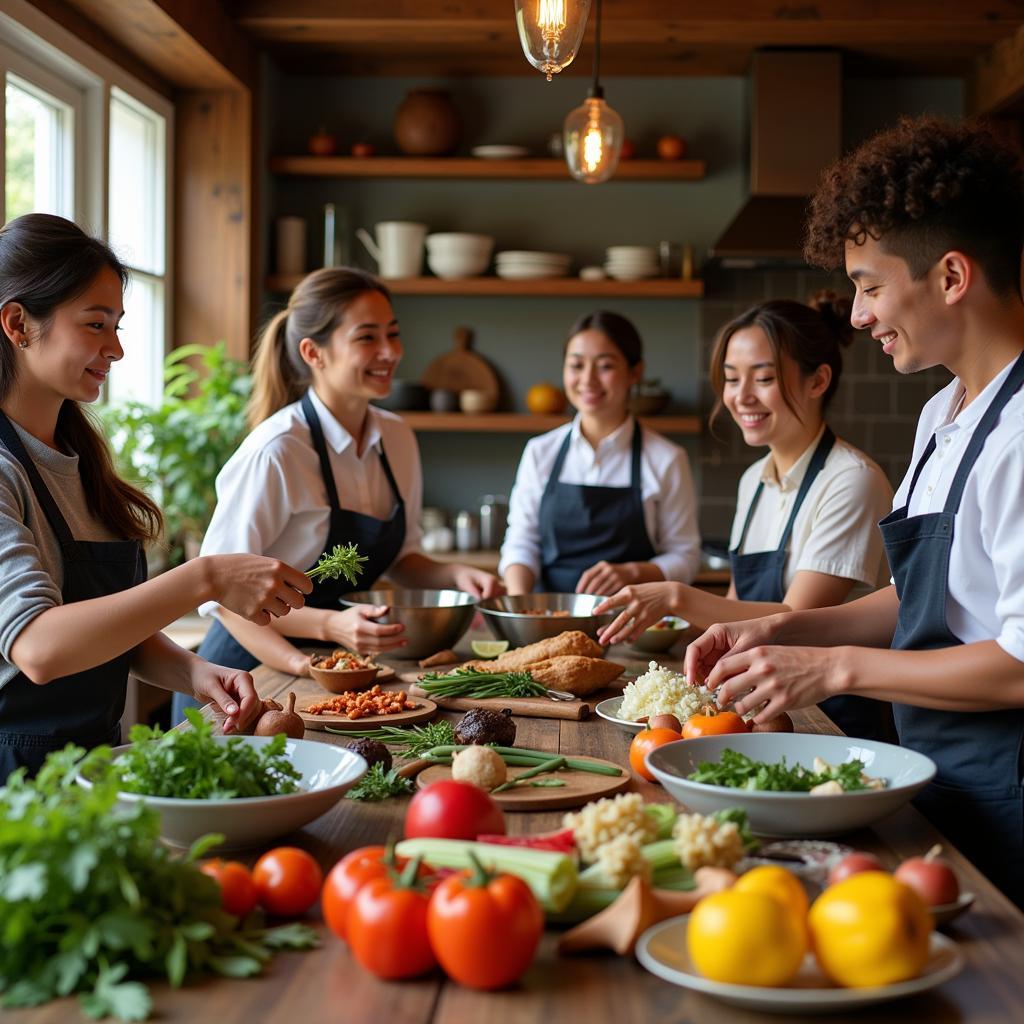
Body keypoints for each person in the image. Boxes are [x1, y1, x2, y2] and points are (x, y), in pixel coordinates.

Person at [684, 116, 1024, 907]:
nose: (860, 313)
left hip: (1011, 796)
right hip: (939, 777)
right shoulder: (946, 412)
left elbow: (1018, 661)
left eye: (872, 286)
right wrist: (779, 629)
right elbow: (922, 601)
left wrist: (832, 668)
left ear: (949, 276)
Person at [0, 213, 312, 780]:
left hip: (92, 775)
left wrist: (194, 672)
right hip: (19, 793)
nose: (115, 349)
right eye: (96, 324)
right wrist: (206, 576)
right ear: (18, 323)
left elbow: (107, 628)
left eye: (117, 326)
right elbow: (39, 648)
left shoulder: (77, 459)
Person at [177, 266, 501, 710]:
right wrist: (323, 639)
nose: (390, 351)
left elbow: (404, 559)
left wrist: (455, 575)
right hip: (248, 676)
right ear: (314, 352)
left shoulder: (397, 438)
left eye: (393, 333)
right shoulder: (278, 450)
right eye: (367, 337)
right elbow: (222, 598)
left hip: (336, 670)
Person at [595, 296, 894, 739]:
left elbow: (797, 620)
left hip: (834, 723)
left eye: (765, 378)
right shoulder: (754, 479)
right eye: (731, 379)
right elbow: (734, 615)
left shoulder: (852, 481)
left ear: (819, 381)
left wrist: (678, 596)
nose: (740, 396)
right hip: (758, 708)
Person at [499, 311, 701, 596]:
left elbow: (685, 557)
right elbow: (522, 542)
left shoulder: (666, 458)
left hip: (633, 625)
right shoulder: (539, 452)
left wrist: (633, 573)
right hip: (550, 620)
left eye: (605, 366)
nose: (588, 379)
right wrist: (520, 608)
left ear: (635, 372)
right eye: (576, 365)